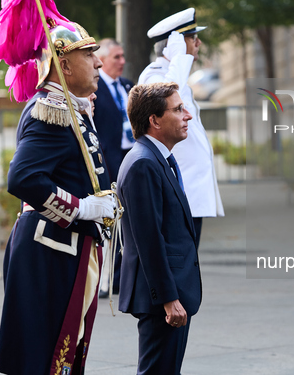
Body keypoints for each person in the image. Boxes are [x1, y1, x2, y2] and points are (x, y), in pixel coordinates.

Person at [0, 22, 116, 375]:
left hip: (66, 248)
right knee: (45, 357)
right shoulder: (51, 111)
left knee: (65, 352)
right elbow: (23, 179)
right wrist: (81, 208)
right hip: (50, 251)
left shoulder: (70, 107)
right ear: (63, 65)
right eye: (89, 54)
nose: (98, 63)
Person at [117, 82, 201, 374]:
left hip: (170, 293)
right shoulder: (143, 164)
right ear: (154, 120)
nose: (187, 115)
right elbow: (148, 239)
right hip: (161, 299)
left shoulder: (158, 158)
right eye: (178, 109)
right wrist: (168, 299)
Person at [139, 7, 224, 248]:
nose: (197, 44)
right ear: (174, 45)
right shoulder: (155, 78)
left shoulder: (173, 75)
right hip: (176, 192)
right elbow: (167, 96)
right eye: (191, 39)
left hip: (188, 193)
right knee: (178, 265)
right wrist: (179, 58)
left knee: (187, 266)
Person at [93, 38, 134, 298]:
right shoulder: (95, 88)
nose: (122, 61)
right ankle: (105, 278)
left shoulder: (128, 86)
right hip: (109, 161)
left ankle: (121, 278)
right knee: (112, 220)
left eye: (122, 56)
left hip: (131, 157)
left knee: (130, 219)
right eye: (116, 57)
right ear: (103, 60)